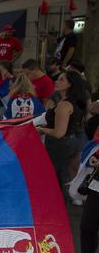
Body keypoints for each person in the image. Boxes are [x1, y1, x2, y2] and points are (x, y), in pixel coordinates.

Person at [37, 71, 87, 203]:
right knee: (61, 178)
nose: (56, 81)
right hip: (71, 143)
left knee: (54, 179)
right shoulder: (75, 103)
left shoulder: (64, 105)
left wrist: (42, 129)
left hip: (59, 145)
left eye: (61, 80)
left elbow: (59, 132)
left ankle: (54, 209)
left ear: (70, 84)